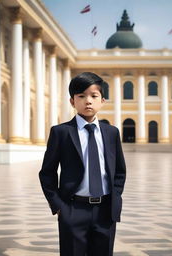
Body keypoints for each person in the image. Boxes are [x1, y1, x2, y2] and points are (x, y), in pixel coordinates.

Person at [39, 72, 126, 256]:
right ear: (72, 101)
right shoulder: (61, 132)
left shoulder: (111, 133)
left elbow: (119, 171)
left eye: (94, 96)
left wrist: (115, 199)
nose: (88, 101)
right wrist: (59, 206)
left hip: (105, 210)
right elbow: (47, 173)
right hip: (73, 209)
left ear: (102, 100)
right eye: (81, 96)